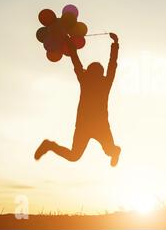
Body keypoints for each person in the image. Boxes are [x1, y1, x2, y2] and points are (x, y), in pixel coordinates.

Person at [34, 33, 121, 167]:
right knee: (108, 150)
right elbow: (112, 64)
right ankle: (114, 151)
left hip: (88, 125)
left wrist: (69, 43)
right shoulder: (104, 82)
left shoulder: (86, 80)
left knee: (75, 156)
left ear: (90, 71)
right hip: (97, 125)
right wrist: (115, 44)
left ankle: (50, 146)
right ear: (100, 72)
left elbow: (75, 60)